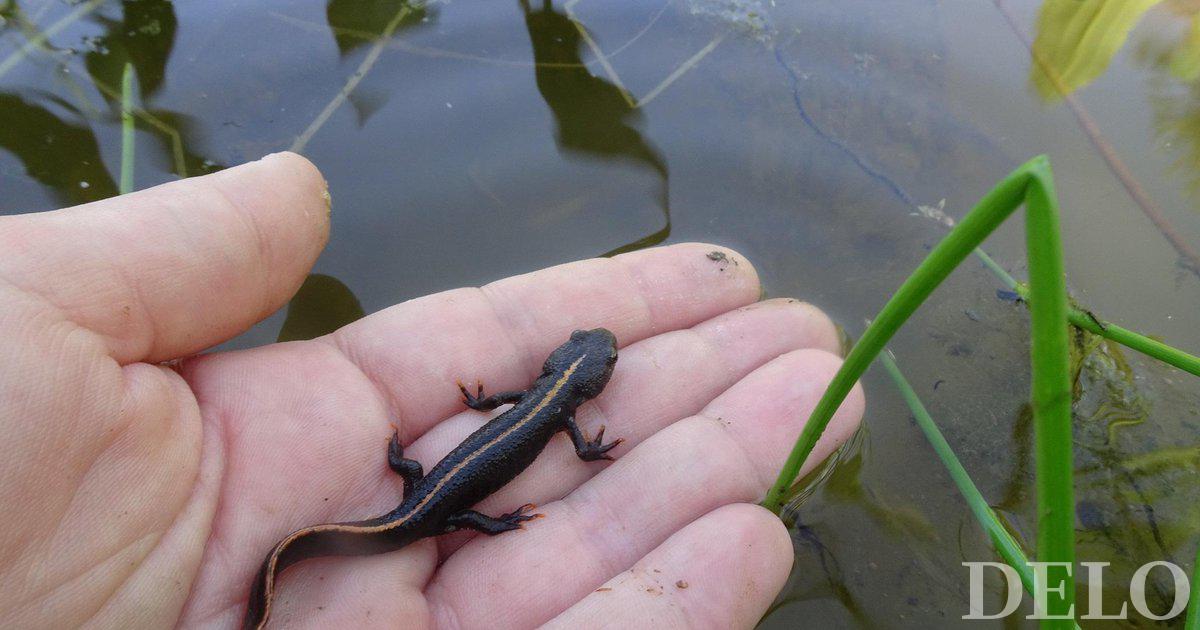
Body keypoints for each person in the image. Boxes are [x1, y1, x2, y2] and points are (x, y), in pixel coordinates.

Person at [0, 152, 863, 628]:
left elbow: (495, 413)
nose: (595, 364)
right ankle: (308, 564)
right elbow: (548, 439)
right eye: (595, 363)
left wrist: (407, 458)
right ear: (586, 381)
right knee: (449, 508)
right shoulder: (561, 413)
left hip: (425, 492)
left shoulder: (539, 394)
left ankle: (404, 501)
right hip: (435, 508)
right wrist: (518, 499)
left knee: (437, 492)